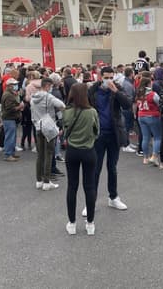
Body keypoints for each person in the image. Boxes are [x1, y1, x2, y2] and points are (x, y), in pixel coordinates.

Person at [87, 66, 130, 213]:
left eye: (111, 77)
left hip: (114, 134)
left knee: (112, 168)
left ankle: (113, 197)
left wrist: (116, 92)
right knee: (95, 169)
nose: (109, 80)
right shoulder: (93, 90)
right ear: (100, 77)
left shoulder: (117, 88)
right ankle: (90, 201)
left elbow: (127, 105)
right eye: (106, 77)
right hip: (97, 135)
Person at [64, 83, 99, 235]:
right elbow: (97, 132)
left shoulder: (67, 111)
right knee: (89, 187)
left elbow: (65, 129)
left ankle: (72, 223)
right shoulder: (92, 112)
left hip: (72, 150)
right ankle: (90, 223)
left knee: (72, 186)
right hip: (88, 151)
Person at [31, 78, 66, 190]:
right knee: (49, 154)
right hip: (49, 126)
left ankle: (39, 180)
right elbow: (61, 105)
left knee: (40, 155)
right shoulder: (48, 97)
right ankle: (47, 181)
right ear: (47, 86)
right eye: (50, 86)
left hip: (38, 126)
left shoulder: (33, 97)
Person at [136, 77, 162, 166]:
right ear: (148, 84)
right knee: (157, 137)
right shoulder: (152, 94)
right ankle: (154, 156)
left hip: (141, 115)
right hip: (152, 115)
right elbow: (159, 103)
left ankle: (145, 157)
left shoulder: (139, 94)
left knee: (145, 137)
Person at [0, 77, 24, 161]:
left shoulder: (10, 94)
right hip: (9, 118)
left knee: (12, 137)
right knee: (10, 137)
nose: (16, 86)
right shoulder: (8, 95)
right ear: (9, 86)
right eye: (14, 84)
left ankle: (11, 153)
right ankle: (8, 154)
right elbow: (9, 108)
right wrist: (19, 107)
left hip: (11, 118)